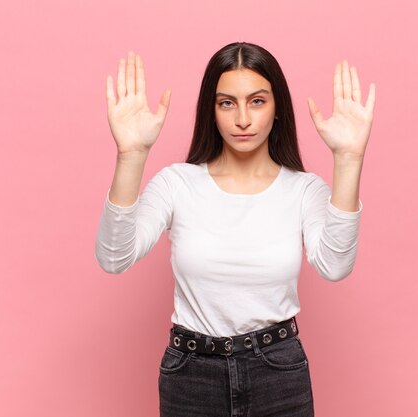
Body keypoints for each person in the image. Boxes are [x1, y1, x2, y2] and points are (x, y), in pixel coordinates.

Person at [95, 42, 375, 417]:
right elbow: (114, 257)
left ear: (278, 110)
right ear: (211, 111)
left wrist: (348, 158)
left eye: (257, 101)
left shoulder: (303, 190)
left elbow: (335, 266)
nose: (242, 118)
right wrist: (131, 155)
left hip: (278, 373)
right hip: (191, 375)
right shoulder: (178, 184)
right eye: (227, 103)